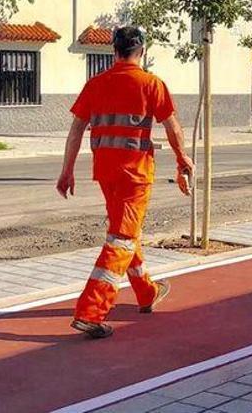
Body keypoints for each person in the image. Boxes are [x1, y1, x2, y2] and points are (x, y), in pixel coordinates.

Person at [56, 26, 194, 339]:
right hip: (136, 175)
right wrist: (182, 157)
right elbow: (172, 126)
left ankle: (146, 292)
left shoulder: (96, 84)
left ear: (114, 51)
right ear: (141, 51)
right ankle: (91, 311)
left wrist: (67, 170)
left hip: (106, 173)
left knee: (126, 233)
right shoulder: (151, 83)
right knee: (121, 238)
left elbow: (76, 129)